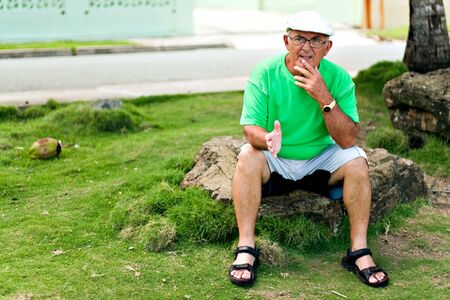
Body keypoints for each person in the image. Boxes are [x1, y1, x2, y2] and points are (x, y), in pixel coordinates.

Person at [228, 10, 389, 288]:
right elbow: (249, 129)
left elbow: (348, 139)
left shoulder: (338, 78)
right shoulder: (265, 72)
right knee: (246, 154)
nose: (306, 47)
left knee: (358, 161)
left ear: (328, 48)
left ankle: (358, 251)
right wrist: (267, 138)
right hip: (276, 157)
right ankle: (246, 247)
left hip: (320, 159)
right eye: (299, 38)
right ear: (286, 41)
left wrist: (324, 97)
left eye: (316, 41)